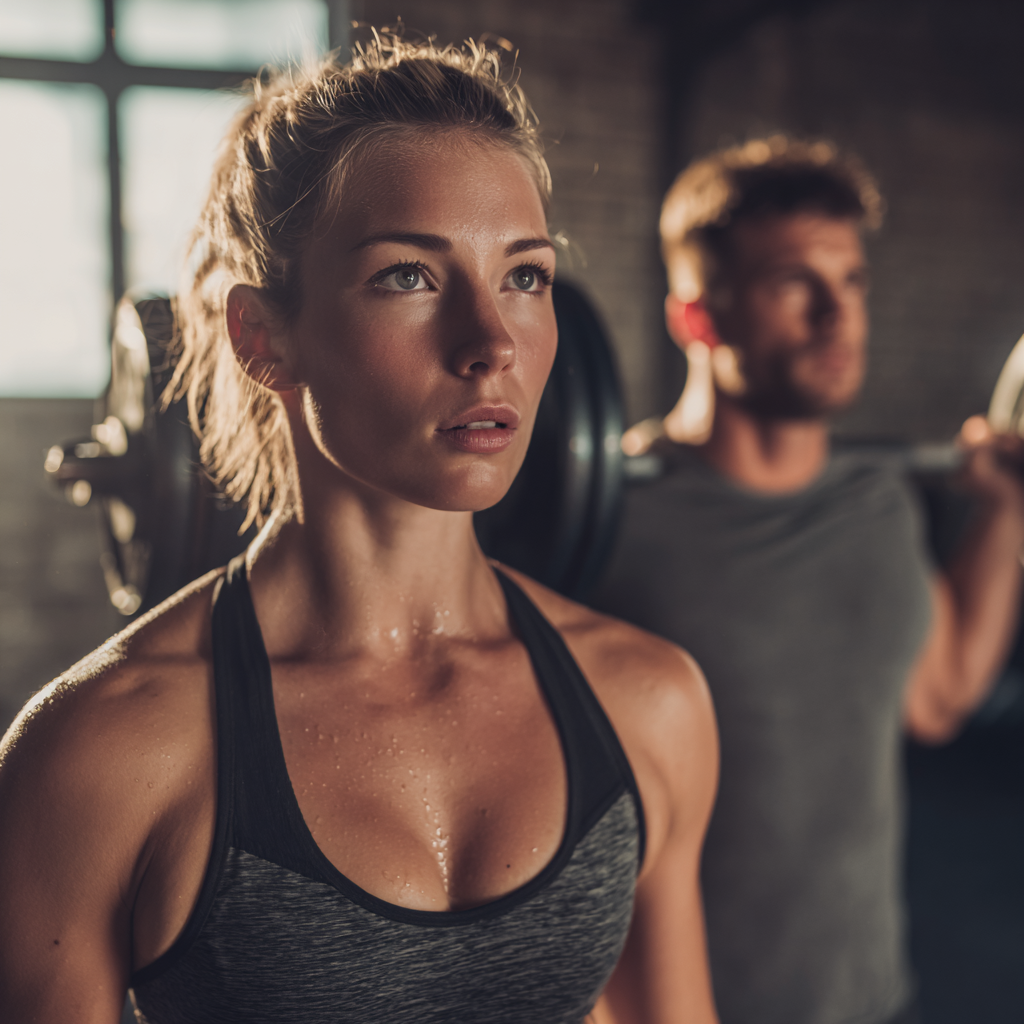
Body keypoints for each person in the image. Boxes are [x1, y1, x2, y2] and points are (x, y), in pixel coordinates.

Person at [0, 37, 720, 1024]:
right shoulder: (100, 750)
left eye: (524, 276)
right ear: (263, 337)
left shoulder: (648, 701)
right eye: (408, 278)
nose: (491, 344)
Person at [593, 136, 1024, 1024]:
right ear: (697, 318)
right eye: (797, 282)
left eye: (853, 280)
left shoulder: (881, 501)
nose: (840, 315)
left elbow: (935, 699)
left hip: (869, 995)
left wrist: (1003, 512)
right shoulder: (610, 519)